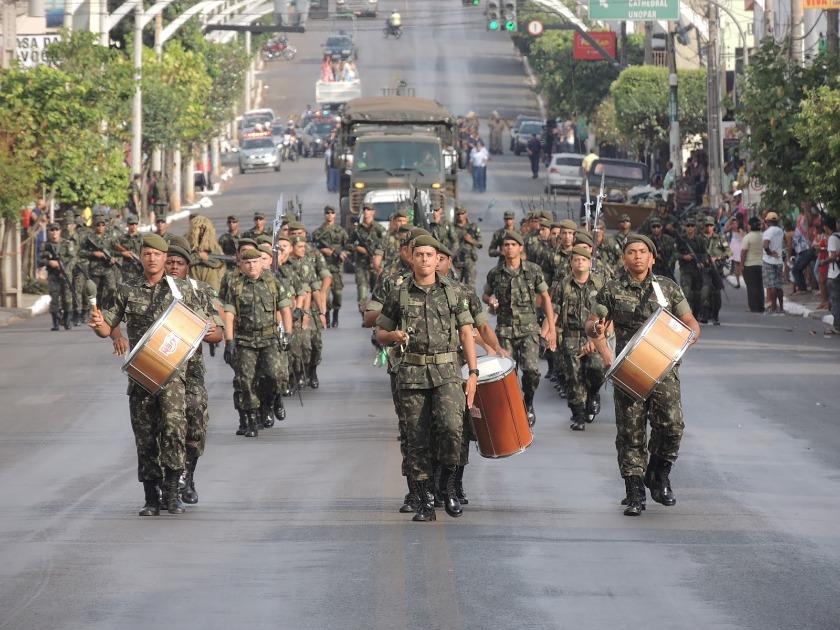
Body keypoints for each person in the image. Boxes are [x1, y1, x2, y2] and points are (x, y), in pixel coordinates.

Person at [89, 234, 215, 516]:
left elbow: (210, 326)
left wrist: (209, 330)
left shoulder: (182, 290)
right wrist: (99, 325)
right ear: (141, 256)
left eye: (157, 254)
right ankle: (151, 497)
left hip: (173, 375)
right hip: (142, 374)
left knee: (173, 431)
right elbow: (108, 326)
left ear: (163, 257)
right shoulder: (127, 289)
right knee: (145, 436)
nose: (152, 259)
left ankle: (172, 493)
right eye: (147, 254)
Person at [585, 234, 700, 516]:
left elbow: (690, 321)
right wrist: (596, 330)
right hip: (630, 370)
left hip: (664, 369)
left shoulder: (667, 289)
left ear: (652, 257)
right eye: (631, 252)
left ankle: (659, 474)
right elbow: (593, 322)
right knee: (630, 433)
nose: (637, 256)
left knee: (672, 426)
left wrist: (692, 334)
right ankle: (634, 491)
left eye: (642, 251)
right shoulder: (611, 289)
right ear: (624, 258)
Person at [376, 235, 479, 522]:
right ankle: (424, 499)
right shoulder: (399, 293)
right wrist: (393, 336)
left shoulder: (453, 292)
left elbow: (466, 332)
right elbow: (380, 332)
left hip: (447, 372)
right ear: (411, 257)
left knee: (451, 428)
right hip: (411, 373)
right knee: (416, 440)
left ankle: (447, 485)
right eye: (419, 254)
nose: (424, 259)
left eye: (429, 255)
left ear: (438, 260)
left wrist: (472, 372)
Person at [162, 237, 224, 504]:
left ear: (188, 266)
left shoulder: (202, 291)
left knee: (195, 422)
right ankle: (169, 482)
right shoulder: (151, 289)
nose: (174, 266)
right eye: (170, 262)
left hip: (191, 371)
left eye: (179, 262)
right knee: (165, 428)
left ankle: (189, 476)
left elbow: (217, 334)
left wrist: (210, 331)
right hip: (158, 371)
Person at [483, 231, 557, 425]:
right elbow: (486, 294)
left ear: (520, 248)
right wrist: (490, 300)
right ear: (502, 249)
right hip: (505, 329)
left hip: (529, 330)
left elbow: (547, 298)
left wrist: (552, 330)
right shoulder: (495, 273)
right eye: (506, 245)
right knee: (508, 373)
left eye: (513, 245)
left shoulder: (533, 270)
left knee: (532, 371)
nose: (509, 248)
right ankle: (512, 409)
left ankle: (528, 402)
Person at [220, 248, 289, 438]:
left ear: (261, 263)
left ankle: (271, 401)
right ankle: (251, 420)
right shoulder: (236, 286)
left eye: (255, 262)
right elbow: (229, 314)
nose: (251, 266)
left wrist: (288, 333)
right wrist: (230, 341)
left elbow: (285, 308)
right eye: (247, 263)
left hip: (269, 338)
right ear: (241, 265)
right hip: (245, 340)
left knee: (275, 375)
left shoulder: (273, 283)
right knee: (246, 381)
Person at [553, 244, 605, 431]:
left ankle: (593, 394)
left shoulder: (599, 284)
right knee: (573, 378)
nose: (580, 263)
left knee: (597, 369)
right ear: (571, 263)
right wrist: (551, 332)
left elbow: (608, 315)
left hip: (596, 337)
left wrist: (597, 339)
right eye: (576, 260)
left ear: (590, 263)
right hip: (571, 337)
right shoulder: (564, 285)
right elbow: (555, 311)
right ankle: (578, 415)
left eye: (583, 259)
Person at [312, 205, 349, 327]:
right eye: (327, 213)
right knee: (325, 296)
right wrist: (323, 251)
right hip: (324, 267)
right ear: (324, 214)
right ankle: (326, 315)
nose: (329, 215)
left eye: (331, 213)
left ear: (335, 215)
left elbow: (349, 246)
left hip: (337, 267)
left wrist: (344, 253)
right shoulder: (318, 232)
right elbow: (313, 248)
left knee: (337, 294)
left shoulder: (341, 231)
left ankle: (336, 315)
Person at [348, 205, 385, 314]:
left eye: (369, 210)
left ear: (373, 212)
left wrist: (377, 255)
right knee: (362, 289)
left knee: (377, 290)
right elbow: (348, 244)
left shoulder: (379, 229)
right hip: (361, 264)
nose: (366, 212)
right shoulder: (357, 230)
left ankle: (374, 314)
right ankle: (364, 314)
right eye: (364, 210)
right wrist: (358, 248)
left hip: (375, 264)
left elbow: (385, 244)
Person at [40, 223, 76, 331]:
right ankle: (55, 323)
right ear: (48, 232)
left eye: (56, 229)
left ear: (60, 231)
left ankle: (67, 321)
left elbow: (73, 259)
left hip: (66, 274)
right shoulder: (45, 245)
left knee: (67, 299)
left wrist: (65, 269)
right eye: (52, 230)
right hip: (53, 275)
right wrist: (49, 262)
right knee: (54, 298)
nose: (54, 232)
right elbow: (39, 259)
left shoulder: (67, 243)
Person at [82, 214, 119, 310]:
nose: (101, 227)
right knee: (96, 292)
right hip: (95, 269)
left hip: (108, 268)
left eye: (103, 225)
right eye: (98, 225)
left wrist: (114, 259)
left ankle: (105, 304)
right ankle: (97, 310)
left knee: (112, 289)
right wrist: (93, 253)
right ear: (95, 226)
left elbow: (114, 251)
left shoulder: (109, 237)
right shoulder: (89, 238)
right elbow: (81, 252)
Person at [701, 216, 731, 325]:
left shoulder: (719, 238)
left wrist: (718, 257)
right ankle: (704, 314)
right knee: (705, 292)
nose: (709, 227)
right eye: (707, 225)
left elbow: (728, 252)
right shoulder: (700, 239)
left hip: (717, 270)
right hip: (704, 270)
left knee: (716, 295)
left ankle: (715, 316)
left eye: (711, 225)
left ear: (714, 226)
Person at [676, 217, 706, 319]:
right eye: (688, 226)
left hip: (697, 270)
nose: (690, 228)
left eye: (692, 226)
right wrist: (684, 257)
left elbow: (705, 254)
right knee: (686, 293)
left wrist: (701, 261)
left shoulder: (700, 240)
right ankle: (686, 316)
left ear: (695, 228)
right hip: (686, 270)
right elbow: (675, 253)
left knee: (697, 295)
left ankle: (696, 315)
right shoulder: (681, 240)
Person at [740, 216, 765, 313]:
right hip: (761, 264)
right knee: (760, 286)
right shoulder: (763, 235)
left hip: (750, 265)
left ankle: (753, 307)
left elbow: (743, 252)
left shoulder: (748, 237)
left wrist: (742, 265)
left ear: (750, 226)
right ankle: (761, 306)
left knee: (751, 287)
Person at [452, 207, 483, 287]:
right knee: (455, 287)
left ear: (466, 214)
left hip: (469, 261)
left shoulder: (472, 227)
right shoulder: (452, 228)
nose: (460, 216)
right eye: (458, 214)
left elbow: (480, 244)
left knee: (470, 288)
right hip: (456, 261)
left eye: (462, 214)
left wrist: (471, 240)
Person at [819, 217, 840, 334]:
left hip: (835, 273)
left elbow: (832, 257)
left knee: (835, 301)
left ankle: (838, 327)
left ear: (826, 227)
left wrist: (823, 262)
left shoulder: (832, 238)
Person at [762, 211, 785, 314]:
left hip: (769, 261)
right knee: (779, 285)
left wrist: (770, 253)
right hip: (779, 261)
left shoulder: (767, 232)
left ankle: (773, 308)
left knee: (772, 286)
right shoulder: (780, 231)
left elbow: (766, 245)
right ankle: (781, 307)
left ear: (767, 221)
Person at [113, 216, 144, 285]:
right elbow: (112, 252)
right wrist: (123, 254)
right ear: (127, 225)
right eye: (131, 224)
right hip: (127, 271)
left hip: (140, 268)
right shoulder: (121, 238)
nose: (134, 226)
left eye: (136, 224)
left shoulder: (142, 238)